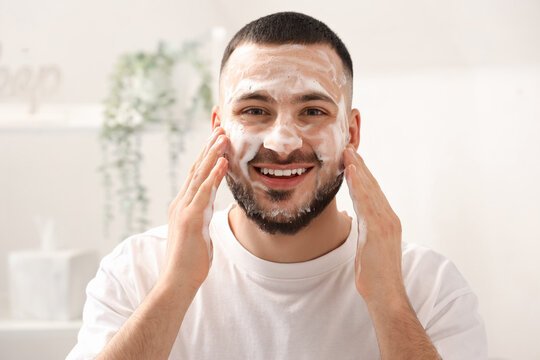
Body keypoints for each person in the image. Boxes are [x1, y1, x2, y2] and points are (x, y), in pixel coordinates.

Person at [67, 12, 488, 360]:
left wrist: (390, 303)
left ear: (351, 132)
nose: (282, 143)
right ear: (219, 129)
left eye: (313, 110)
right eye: (254, 110)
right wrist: (175, 286)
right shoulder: (137, 272)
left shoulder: (427, 286)